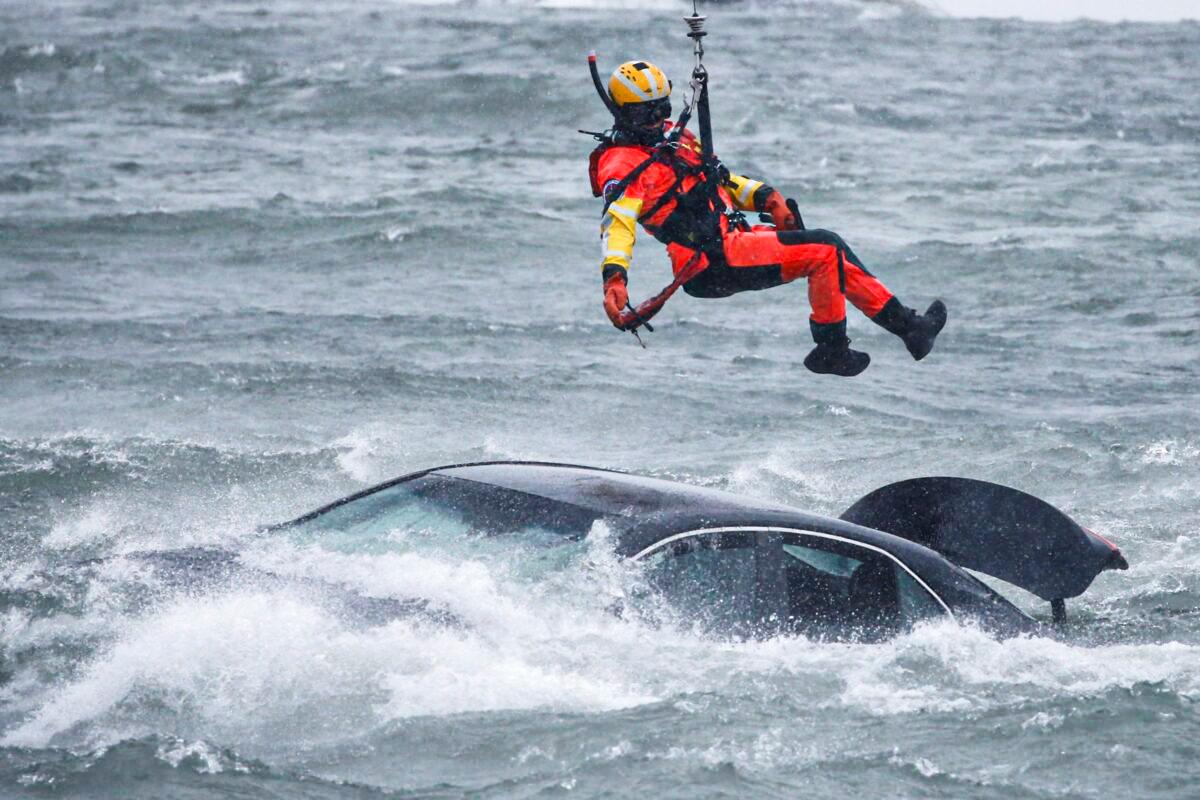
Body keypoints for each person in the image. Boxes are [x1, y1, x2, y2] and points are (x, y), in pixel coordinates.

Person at [587, 60, 947, 377]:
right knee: (824, 250)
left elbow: (717, 182)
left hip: (734, 241)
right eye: (645, 114)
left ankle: (911, 329)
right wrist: (614, 278)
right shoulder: (621, 163)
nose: (656, 121)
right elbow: (618, 224)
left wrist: (766, 197)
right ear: (624, 112)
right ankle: (832, 350)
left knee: (832, 253)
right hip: (709, 263)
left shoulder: (674, 140)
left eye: (661, 109)